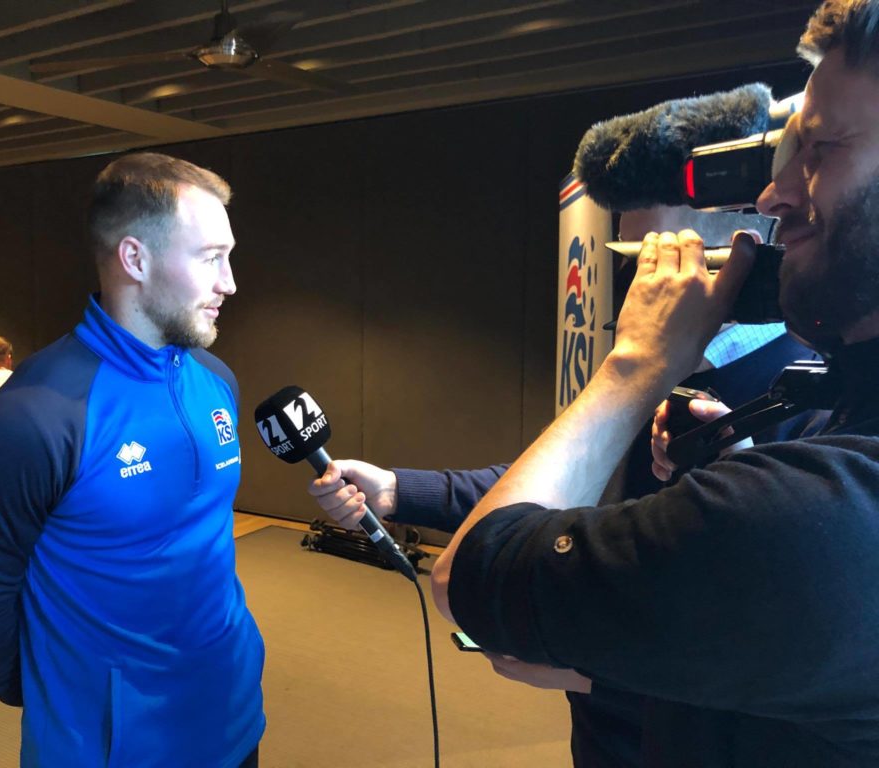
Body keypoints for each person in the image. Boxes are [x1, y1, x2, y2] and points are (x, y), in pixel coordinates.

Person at [320, 1, 879, 763]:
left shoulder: (819, 466)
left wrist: (634, 367)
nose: (777, 196)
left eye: (823, 149)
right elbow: (592, 502)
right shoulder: (816, 398)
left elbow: (480, 573)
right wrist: (398, 489)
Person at [309, 205, 821, 768]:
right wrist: (397, 490)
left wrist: (601, 678)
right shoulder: (666, 364)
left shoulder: (814, 401)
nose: (636, 287)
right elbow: (564, 490)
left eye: (656, 260)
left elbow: (798, 675)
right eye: (632, 259)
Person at [0, 153, 263, 768]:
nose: (229, 282)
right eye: (211, 257)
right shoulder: (33, 416)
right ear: (135, 259)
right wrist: (63, 688)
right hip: (108, 751)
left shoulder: (216, 379)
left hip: (232, 719)